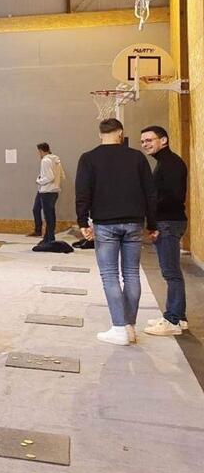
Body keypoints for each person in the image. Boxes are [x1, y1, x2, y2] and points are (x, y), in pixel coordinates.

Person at [75, 118, 158, 346]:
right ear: (120, 133)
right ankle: (129, 326)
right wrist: (152, 224)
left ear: (100, 134)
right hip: (133, 223)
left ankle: (119, 327)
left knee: (109, 275)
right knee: (131, 274)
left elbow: (83, 191)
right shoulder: (137, 157)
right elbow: (150, 193)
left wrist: (83, 221)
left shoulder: (88, 158)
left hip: (105, 223)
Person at [139, 126, 189, 337]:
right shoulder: (165, 163)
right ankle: (180, 317)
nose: (145, 144)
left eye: (150, 140)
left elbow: (171, 197)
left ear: (164, 140)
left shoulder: (170, 164)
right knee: (172, 272)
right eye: (143, 142)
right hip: (168, 221)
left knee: (171, 273)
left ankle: (173, 320)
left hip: (168, 222)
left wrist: (155, 224)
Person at [31, 143, 64, 243]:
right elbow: (62, 175)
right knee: (47, 213)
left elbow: (49, 177)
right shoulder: (56, 160)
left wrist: (39, 181)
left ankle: (49, 238)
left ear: (41, 151)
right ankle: (46, 235)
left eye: (38, 152)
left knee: (48, 215)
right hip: (53, 191)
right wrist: (56, 185)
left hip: (46, 191)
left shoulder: (45, 160)